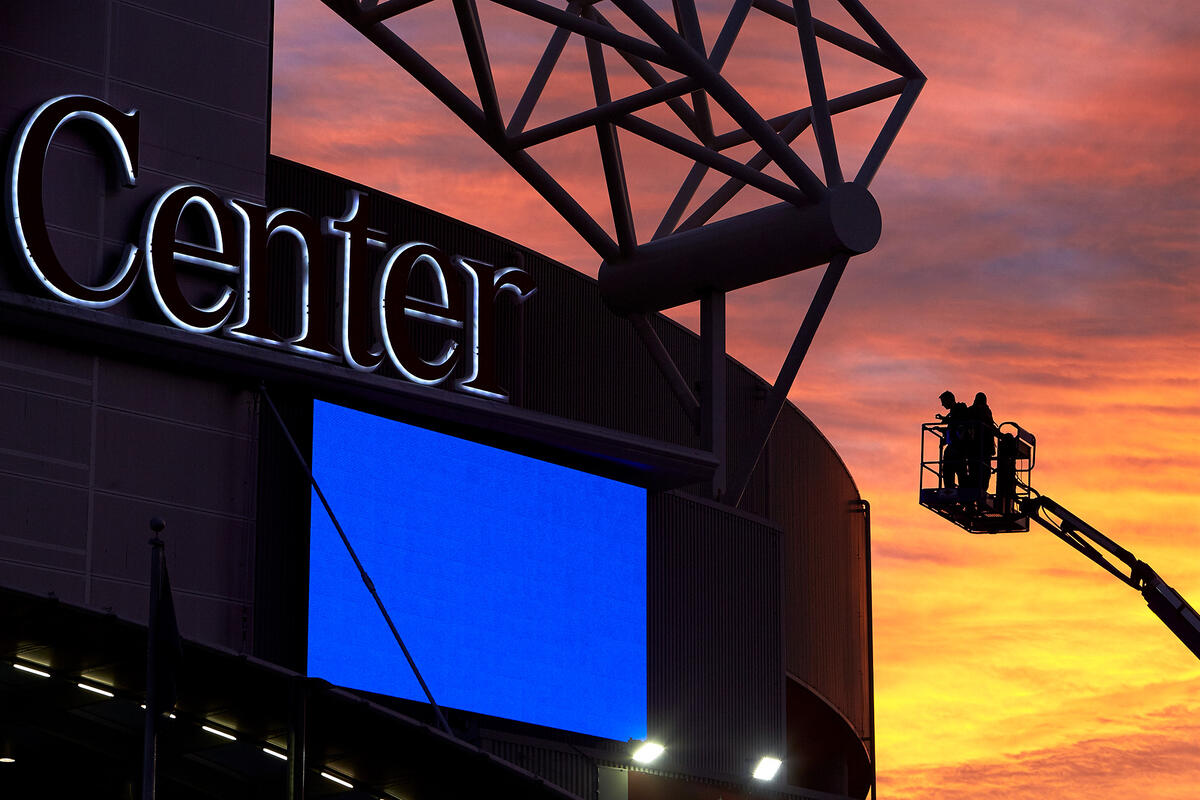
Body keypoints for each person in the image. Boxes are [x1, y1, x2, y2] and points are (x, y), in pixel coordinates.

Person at [936, 391, 969, 490]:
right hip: (957, 447)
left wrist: (944, 428)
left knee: (951, 469)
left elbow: (956, 428)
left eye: (943, 401)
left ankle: (951, 490)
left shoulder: (959, 410)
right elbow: (953, 428)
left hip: (957, 448)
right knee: (958, 470)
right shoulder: (955, 412)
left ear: (949, 399)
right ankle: (957, 490)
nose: (942, 404)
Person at [967, 392, 995, 491]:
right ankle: (978, 489)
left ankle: (979, 489)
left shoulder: (975, 410)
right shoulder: (983, 411)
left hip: (981, 448)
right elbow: (991, 426)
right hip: (978, 448)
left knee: (980, 471)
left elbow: (991, 426)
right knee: (979, 471)